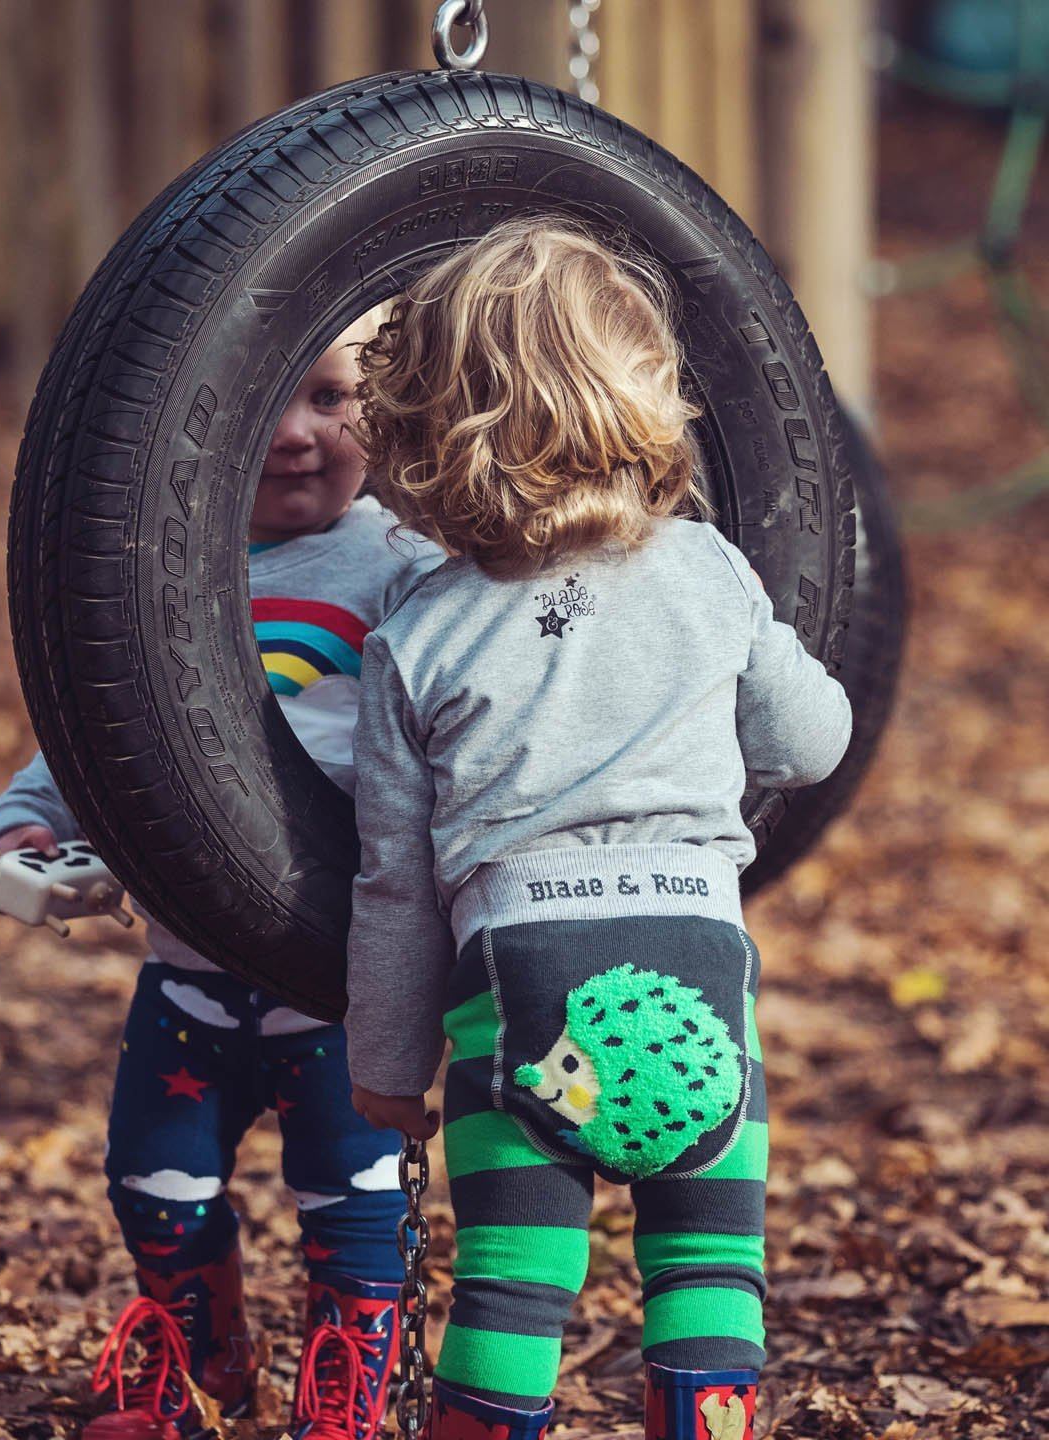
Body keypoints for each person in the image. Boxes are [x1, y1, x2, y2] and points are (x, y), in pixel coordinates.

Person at [342, 221, 853, 1440]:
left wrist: (384, 1065)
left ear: (422, 437)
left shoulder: (418, 639)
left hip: (513, 1010)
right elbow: (812, 743)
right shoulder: (709, 574)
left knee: (513, 1294)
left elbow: (394, 888)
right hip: (700, 1006)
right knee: (708, 1281)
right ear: (649, 407)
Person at [0, 312, 444, 1440]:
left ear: (381, 409)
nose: (293, 433)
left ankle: (349, 1380)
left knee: (357, 1200)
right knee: (154, 1182)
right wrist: (32, 821)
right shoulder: (171, 572)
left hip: (339, 983)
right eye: (263, 401)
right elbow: (106, 723)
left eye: (330, 398)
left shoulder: (405, 570)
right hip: (188, 977)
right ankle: (199, 1355)